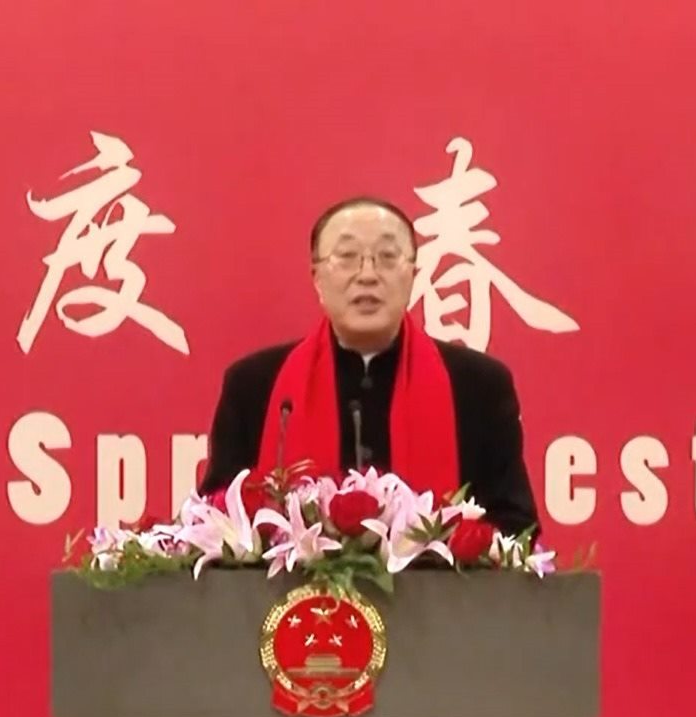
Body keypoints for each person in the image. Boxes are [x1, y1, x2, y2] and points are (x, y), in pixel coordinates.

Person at [197, 196, 541, 537]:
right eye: (347, 257)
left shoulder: (478, 386)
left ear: (413, 275)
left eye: (387, 257)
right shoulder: (255, 385)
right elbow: (218, 519)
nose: (367, 275)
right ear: (317, 277)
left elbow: (515, 525)